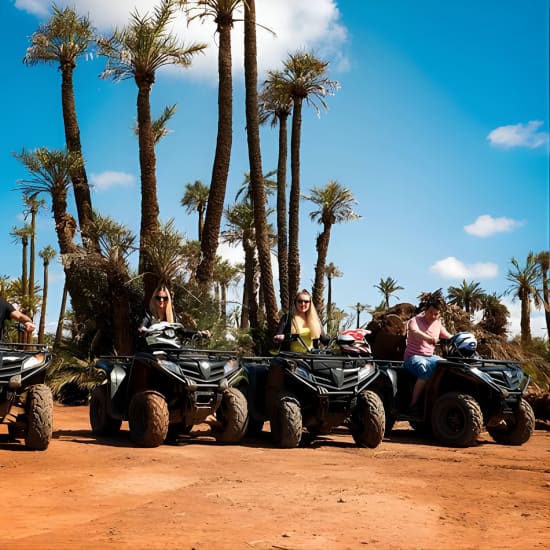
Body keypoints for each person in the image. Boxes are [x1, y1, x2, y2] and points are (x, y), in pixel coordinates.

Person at [403, 291, 451, 415]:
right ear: (425, 310)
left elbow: (449, 336)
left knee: (449, 367)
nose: (433, 316)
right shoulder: (414, 321)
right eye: (431, 313)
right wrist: (429, 339)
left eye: (436, 314)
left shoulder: (438, 324)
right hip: (413, 357)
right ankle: (413, 405)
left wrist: (463, 338)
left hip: (430, 357)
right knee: (424, 370)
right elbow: (415, 332)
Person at [138, 284, 210, 338]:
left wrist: (199, 333)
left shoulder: (172, 317)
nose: (161, 300)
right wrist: (143, 329)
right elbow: (143, 325)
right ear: (154, 299)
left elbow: (182, 331)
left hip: (169, 351)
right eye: (158, 298)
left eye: (165, 298)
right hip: (152, 351)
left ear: (168, 300)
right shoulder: (149, 315)